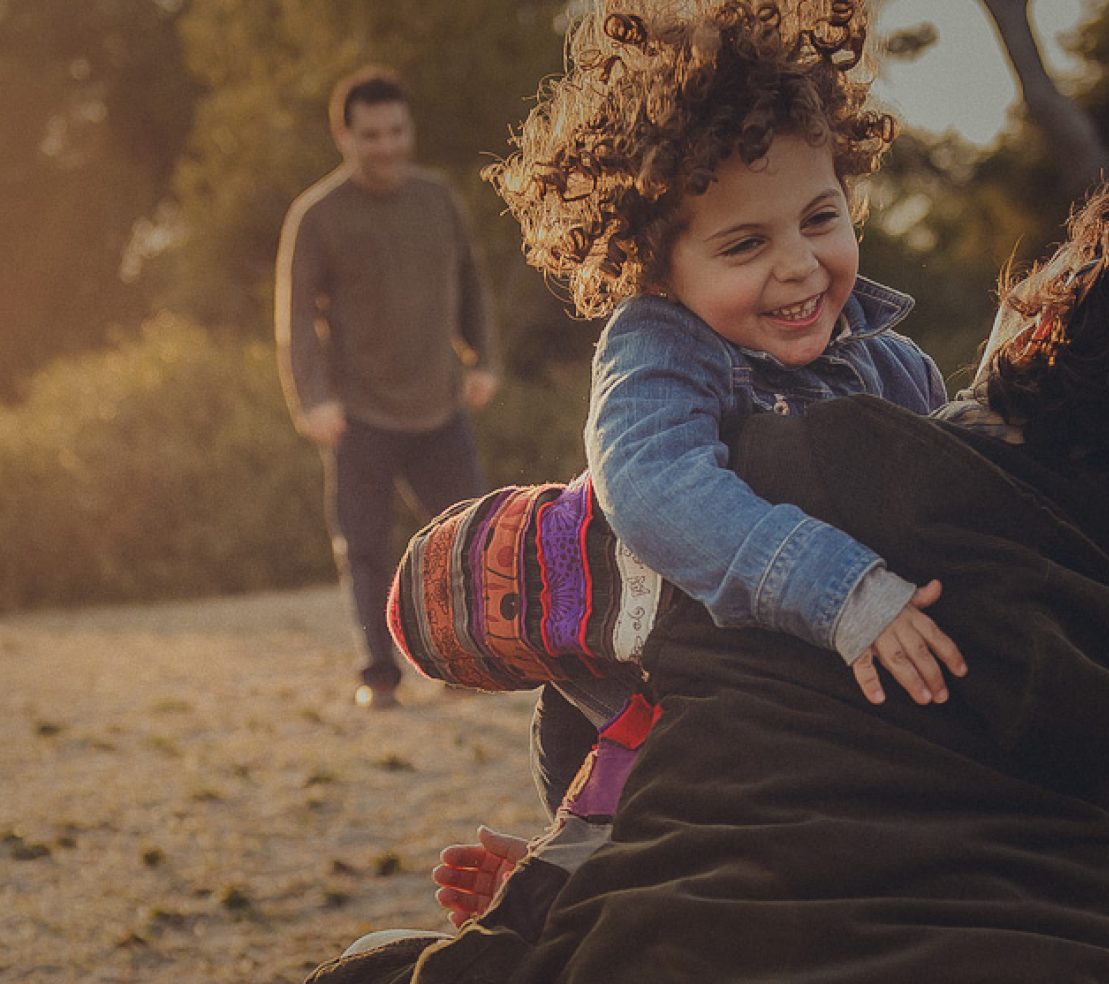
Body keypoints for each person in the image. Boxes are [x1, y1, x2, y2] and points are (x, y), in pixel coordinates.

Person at [309, 169, 1109, 984]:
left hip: (669, 968)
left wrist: (580, 863)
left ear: (1046, 323)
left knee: (362, 968)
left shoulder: (796, 472)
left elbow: (441, 588)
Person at [387, 0, 963, 819]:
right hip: (639, 714)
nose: (799, 266)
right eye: (746, 245)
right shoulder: (666, 343)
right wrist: (843, 593)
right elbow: (653, 484)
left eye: (819, 219)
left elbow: (963, 504)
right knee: (676, 867)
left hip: (805, 702)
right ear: (656, 262)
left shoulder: (897, 371)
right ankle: (570, 879)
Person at [275, 65, 499, 709]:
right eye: (371, 135)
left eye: (396, 131)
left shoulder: (439, 199)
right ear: (344, 137)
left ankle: (464, 666)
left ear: (410, 129)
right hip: (360, 413)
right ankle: (380, 676)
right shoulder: (317, 214)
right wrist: (312, 399)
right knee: (366, 547)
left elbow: (472, 283)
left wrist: (482, 358)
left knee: (468, 540)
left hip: (439, 404)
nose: (387, 146)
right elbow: (292, 317)